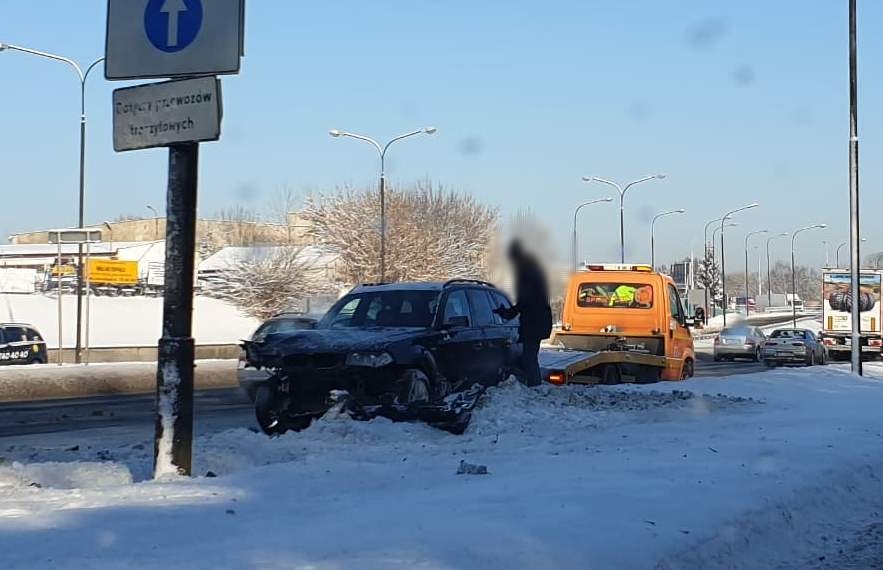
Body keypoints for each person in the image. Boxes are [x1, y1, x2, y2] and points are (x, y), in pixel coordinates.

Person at [494, 240, 553, 387]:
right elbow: (526, 301)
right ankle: (534, 384)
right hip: (537, 322)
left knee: (529, 358)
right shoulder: (531, 269)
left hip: (534, 323)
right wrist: (509, 312)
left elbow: (525, 302)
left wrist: (508, 313)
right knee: (529, 357)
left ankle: (534, 386)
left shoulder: (525, 271)